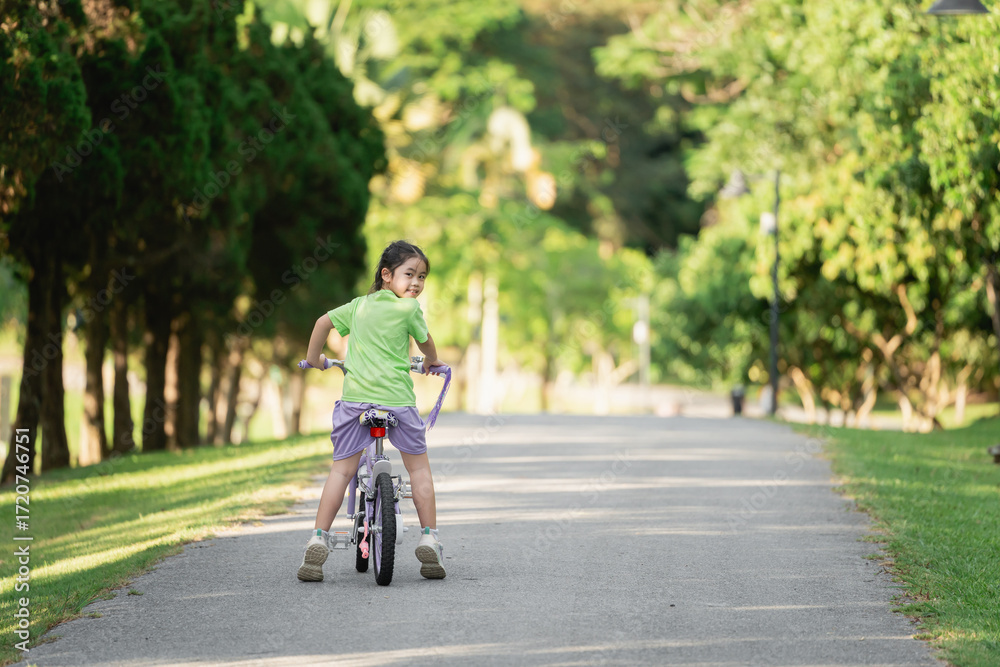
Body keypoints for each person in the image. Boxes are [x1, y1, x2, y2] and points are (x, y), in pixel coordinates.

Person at [297, 240, 446, 582]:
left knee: (341, 471)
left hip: (356, 403)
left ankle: (318, 537)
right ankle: (429, 538)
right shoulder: (409, 311)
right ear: (386, 275)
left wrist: (317, 359)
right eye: (410, 274)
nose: (417, 283)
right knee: (419, 469)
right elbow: (426, 344)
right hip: (397, 401)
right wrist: (432, 362)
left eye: (422, 277)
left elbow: (322, 323)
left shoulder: (358, 306)